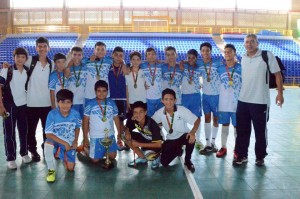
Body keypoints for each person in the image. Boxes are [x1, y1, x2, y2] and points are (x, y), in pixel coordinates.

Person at [234, 34, 284, 166]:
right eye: (247, 42)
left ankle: (260, 156)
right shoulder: (243, 58)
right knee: (242, 130)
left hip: (260, 101)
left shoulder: (266, 56)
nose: (249, 44)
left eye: (252, 42)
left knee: (260, 131)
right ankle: (242, 155)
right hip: (243, 100)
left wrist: (280, 94)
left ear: (257, 43)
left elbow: (277, 74)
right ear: (244, 44)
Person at [152, 88, 200, 172]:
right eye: (166, 99)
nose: (169, 102)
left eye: (171, 99)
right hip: (171, 139)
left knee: (191, 138)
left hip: (183, 136)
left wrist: (192, 132)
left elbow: (197, 120)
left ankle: (188, 160)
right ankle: (178, 150)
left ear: (175, 100)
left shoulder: (181, 110)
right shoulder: (159, 113)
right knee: (164, 162)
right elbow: (151, 123)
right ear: (162, 100)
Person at [0, 47, 32, 169]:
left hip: (23, 105)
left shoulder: (27, 70)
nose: (20, 59)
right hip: (9, 106)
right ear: (14, 58)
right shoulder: (6, 70)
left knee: (24, 131)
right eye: (17, 56)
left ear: (25, 59)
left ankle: (24, 153)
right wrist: (1, 105)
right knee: (9, 132)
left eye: (22, 57)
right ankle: (11, 157)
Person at [26, 37, 54, 161]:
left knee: (46, 130)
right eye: (40, 46)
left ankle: (46, 150)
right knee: (30, 130)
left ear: (48, 48)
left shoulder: (51, 64)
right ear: (36, 48)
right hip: (31, 103)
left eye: (44, 46)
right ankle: (33, 151)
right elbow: (17, 65)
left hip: (47, 103)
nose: (42, 49)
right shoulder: (30, 60)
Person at [44, 89, 81, 182]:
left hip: (69, 141)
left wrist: (75, 140)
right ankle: (51, 170)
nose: (65, 105)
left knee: (71, 168)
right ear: (57, 102)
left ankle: (61, 153)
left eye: (68, 102)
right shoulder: (52, 114)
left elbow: (77, 127)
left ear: (72, 103)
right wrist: (64, 143)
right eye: (62, 102)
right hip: (55, 140)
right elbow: (48, 134)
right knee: (48, 144)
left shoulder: (76, 114)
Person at [83, 80, 121, 165]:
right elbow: (85, 121)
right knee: (95, 160)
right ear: (95, 91)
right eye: (99, 91)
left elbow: (116, 118)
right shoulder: (90, 104)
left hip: (110, 135)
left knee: (113, 157)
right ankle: (85, 149)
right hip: (96, 136)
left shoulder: (111, 103)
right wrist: (85, 137)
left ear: (107, 91)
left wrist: (119, 133)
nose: (101, 93)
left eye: (104, 91)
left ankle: (100, 152)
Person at [216, 44, 242, 158]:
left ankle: (237, 149)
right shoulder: (220, 67)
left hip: (237, 103)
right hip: (223, 103)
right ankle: (223, 146)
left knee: (237, 126)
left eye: (229, 52)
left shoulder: (241, 67)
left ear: (234, 53)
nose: (227, 54)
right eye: (225, 52)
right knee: (225, 125)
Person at [124, 101, 162, 169]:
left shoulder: (152, 124)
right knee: (124, 136)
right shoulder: (133, 119)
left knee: (150, 156)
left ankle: (157, 157)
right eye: (135, 112)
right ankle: (142, 158)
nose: (138, 115)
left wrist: (138, 144)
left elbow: (159, 144)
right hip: (146, 139)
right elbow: (127, 127)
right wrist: (127, 131)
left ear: (145, 112)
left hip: (157, 145)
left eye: (141, 112)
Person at [198, 42, 221, 155]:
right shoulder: (199, 63)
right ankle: (207, 144)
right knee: (207, 118)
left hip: (217, 96)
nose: (205, 52)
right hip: (205, 95)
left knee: (216, 119)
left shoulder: (217, 63)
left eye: (207, 50)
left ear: (211, 51)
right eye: (203, 50)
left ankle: (213, 142)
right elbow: (188, 63)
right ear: (201, 52)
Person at [108, 46, 129, 151]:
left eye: (121, 55)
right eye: (116, 55)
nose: (118, 57)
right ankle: (110, 140)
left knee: (120, 121)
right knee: (109, 120)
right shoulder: (107, 66)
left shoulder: (126, 67)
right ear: (112, 55)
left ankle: (120, 140)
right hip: (109, 97)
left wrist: (124, 64)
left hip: (122, 98)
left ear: (123, 57)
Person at [181, 49, 203, 150]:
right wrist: (183, 62)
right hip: (184, 95)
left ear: (196, 58)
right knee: (183, 117)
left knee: (197, 117)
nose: (190, 59)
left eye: (193, 58)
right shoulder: (183, 66)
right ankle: (183, 138)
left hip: (196, 96)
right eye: (189, 57)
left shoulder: (199, 68)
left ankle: (197, 139)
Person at [140, 47, 164, 116]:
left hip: (160, 97)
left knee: (160, 117)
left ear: (156, 56)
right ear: (146, 56)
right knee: (150, 118)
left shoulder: (161, 66)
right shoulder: (142, 66)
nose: (151, 56)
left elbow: (170, 63)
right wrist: (142, 84)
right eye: (149, 54)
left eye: (153, 54)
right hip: (148, 97)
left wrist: (162, 61)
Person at [65, 46, 87, 119]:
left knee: (86, 123)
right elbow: (66, 76)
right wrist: (68, 66)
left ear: (82, 56)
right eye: (74, 54)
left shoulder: (86, 67)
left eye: (79, 55)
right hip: (73, 101)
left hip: (85, 100)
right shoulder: (68, 69)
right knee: (73, 123)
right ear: (71, 55)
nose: (77, 57)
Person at [125, 51, 146, 119]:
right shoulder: (127, 73)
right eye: (133, 59)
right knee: (132, 122)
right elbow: (127, 89)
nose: (135, 62)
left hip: (143, 100)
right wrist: (127, 102)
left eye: (138, 59)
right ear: (131, 60)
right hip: (132, 101)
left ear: (140, 61)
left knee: (142, 121)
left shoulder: (144, 71)